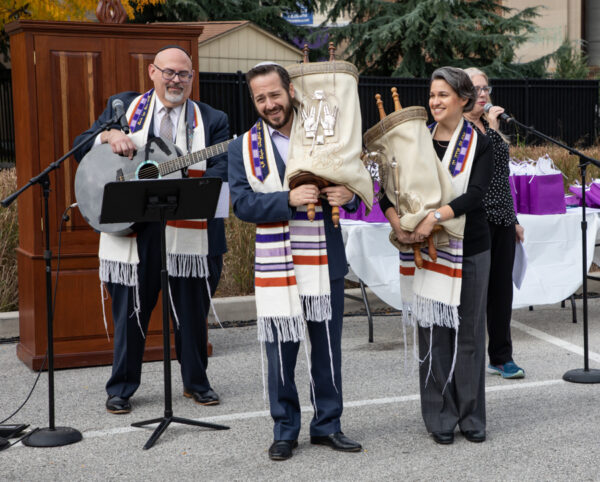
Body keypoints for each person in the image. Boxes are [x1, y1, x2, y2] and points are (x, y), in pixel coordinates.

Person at [73, 45, 229, 414]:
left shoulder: (212, 118)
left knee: (191, 311)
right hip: (134, 230)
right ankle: (122, 387)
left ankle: (196, 382)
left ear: (192, 79)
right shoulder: (122, 109)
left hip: (189, 228)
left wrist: (195, 183)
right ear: (152, 72)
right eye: (169, 72)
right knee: (131, 311)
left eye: (184, 74)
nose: (176, 80)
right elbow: (81, 146)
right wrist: (108, 137)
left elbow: (223, 168)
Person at [228, 62, 362, 461]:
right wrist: (285, 199)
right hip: (278, 263)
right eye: (260, 98)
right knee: (281, 352)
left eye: (275, 94)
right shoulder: (242, 148)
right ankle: (285, 429)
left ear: (290, 89)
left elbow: (353, 178)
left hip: (326, 259)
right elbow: (242, 205)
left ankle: (328, 425)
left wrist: (348, 195)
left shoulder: (324, 131)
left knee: (327, 350)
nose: (270, 104)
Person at [381, 67, 493, 445]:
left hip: (471, 246)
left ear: (464, 100)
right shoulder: (416, 139)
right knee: (432, 331)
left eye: (443, 95)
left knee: (471, 333)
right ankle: (439, 415)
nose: (435, 102)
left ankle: (471, 415)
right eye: (432, 95)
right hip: (424, 248)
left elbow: (476, 194)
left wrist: (433, 218)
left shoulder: (482, 142)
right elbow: (387, 189)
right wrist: (399, 223)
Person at [463, 68, 525, 380]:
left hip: (502, 218)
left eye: (486, 88)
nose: (484, 94)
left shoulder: (493, 129)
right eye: (477, 89)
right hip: (475, 221)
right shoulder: (460, 130)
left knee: (501, 291)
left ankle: (501, 357)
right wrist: (489, 127)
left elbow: (503, 178)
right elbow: (476, 165)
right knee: (476, 294)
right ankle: (469, 357)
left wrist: (513, 219)